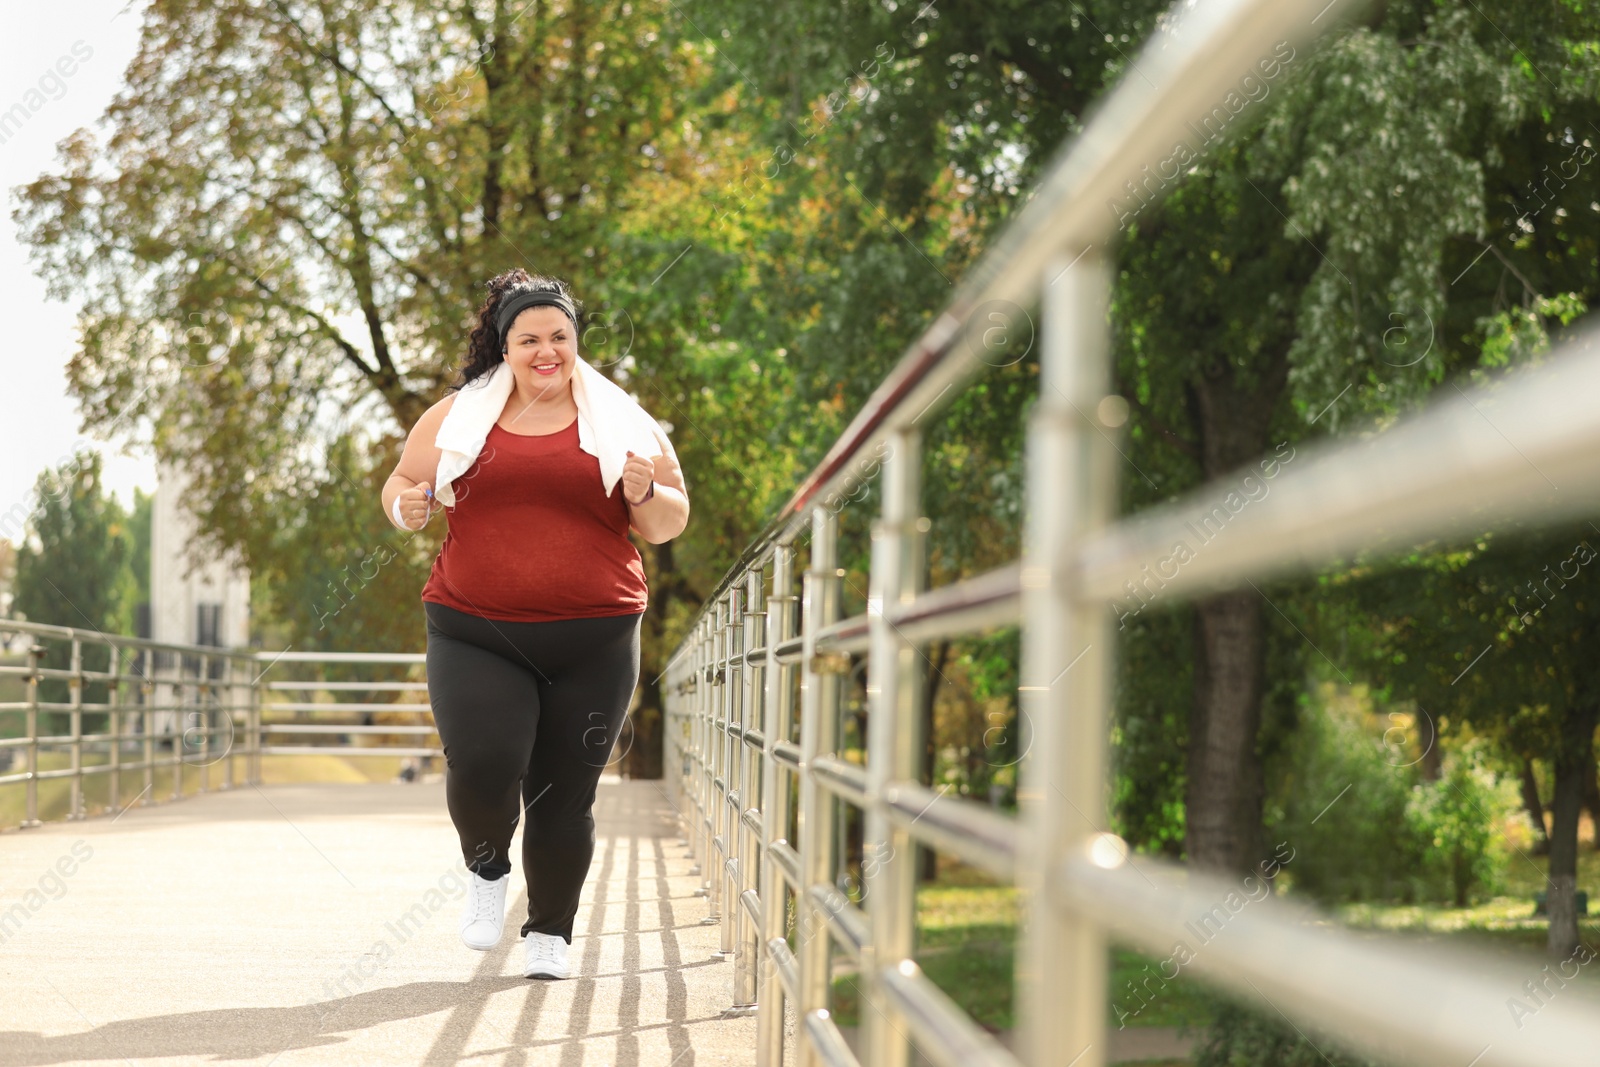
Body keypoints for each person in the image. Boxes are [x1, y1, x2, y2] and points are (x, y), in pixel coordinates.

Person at [381, 268, 689, 979]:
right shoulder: (458, 414)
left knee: (564, 791)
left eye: (559, 336)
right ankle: (487, 868)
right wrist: (408, 508)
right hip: (475, 628)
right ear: (504, 344)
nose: (545, 350)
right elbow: (402, 482)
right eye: (529, 338)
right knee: (484, 761)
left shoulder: (623, 421)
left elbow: (669, 521)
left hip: (596, 636)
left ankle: (550, 930)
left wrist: (645, 493)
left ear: (576, 342)